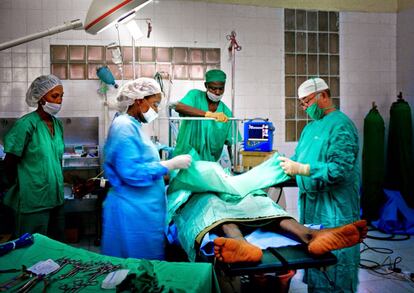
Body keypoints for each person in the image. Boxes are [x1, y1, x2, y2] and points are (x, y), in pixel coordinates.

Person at [279, 77, 361, 292]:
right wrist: (279, 170)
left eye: (306, 101)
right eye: (302, 103)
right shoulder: (310, 129)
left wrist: (304, 169)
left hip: (334, 209)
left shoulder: (341, 125)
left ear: (323, 96)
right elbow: (297, 159)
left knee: (336, 263)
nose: (304, 107)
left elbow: (338, 170)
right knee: (315, 260)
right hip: (312, 208)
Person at [102, 77, 192, 260]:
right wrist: (169, 165)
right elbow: (131, 172)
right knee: (133, 271)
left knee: (144, 272)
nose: (156, 110)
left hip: (142, 212)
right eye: (155, 104)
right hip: (132, 215)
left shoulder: (133, 125)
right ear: (139, 101)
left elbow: (139, 156)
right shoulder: (123, 126)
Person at [3, 74, 65, 241]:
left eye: (61, 96)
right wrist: (22, 185)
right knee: (31, 251)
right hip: (33, 202)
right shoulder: (26, 124)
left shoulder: (58, 125)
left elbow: (55, 160)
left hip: (56, 199)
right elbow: (9, 162)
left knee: (55, 249)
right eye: (54, 96)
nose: (59, 100)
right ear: (40, 97)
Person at [173, 69, 235, 162]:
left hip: (208, 164)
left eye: (221, 88)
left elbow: (232, 143)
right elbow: (179, 107)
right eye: (213, 88)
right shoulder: (195, 96)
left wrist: (234, 164)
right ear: (206, 86)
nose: (217, 92)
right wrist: (208, 114)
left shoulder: (226, 113)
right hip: (185, 158)